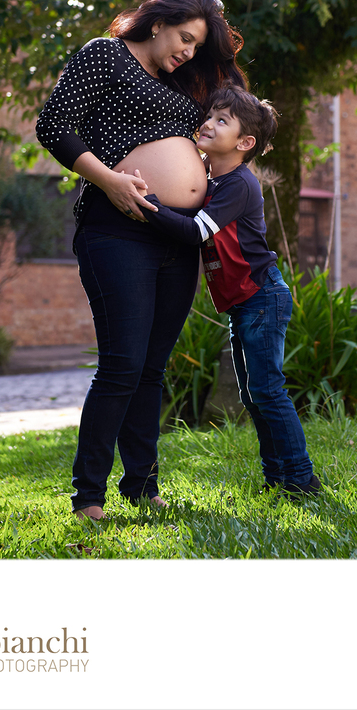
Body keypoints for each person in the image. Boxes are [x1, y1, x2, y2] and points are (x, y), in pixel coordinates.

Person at [35, 0, 247, 522]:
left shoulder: (186, 83)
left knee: (152, 368)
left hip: (176, 237)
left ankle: (141, 486)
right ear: (158, 22)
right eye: (184, 37)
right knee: (123, 364)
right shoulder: (104, 56)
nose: (189, 52)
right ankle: (88, 496)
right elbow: (52, 126)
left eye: (198, 45)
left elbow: (231, 117)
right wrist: (108, 181)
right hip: (116, 229)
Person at [139, 85, 320, 497]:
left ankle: (300, 478)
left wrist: (149, 204)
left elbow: (193, 232)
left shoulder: (239, 184)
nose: (209, 122)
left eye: (222, 120)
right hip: (245, 303)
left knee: (267, 391)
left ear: (245, 143)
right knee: (253, 395)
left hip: (262, 296)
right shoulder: (210, 177)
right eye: (210, 115)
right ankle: (278, 479)